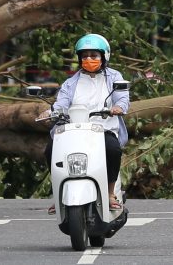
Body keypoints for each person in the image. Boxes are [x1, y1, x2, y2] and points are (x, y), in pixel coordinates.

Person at [43, 33, 130, 213]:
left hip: (103, 130)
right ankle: (59, 194)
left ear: (104, 56)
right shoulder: (70, 83)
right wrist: (52, 112)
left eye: (94, 55)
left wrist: (118, 108)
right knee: (50, 150)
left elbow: (122, 99)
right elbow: (61, 103)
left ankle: (110, 193)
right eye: (84, 56)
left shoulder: (114, 77)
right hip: (74, 130)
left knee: (113, 150)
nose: (89, 59)